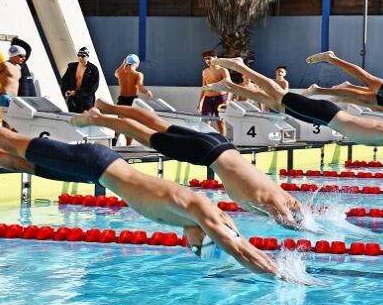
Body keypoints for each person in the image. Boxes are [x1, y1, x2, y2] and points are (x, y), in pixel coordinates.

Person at [0, 106, 281, 279]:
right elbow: (240, 250)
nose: (193, 247)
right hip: (95, 163)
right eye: (200, 247)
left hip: (97, 173)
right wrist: (281, 275)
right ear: (211, 233)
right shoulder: (202, 211)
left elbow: (229, 244)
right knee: (10, 142)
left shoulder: (189, 220)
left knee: (14, 162)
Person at [206, 57, 383, 188]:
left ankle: (231, 86)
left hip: (325, 119)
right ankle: (240, 66)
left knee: (279, 105)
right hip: (327, 114)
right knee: (277, 95)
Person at [71, 100, 304, 229]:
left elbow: (297, 207)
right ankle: (96, 118)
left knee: (158, 123)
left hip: (222, 144)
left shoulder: (281, 195)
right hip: (207, 154)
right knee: (145, 135)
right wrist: (312, 231)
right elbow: (289, 222)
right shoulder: (275, 204)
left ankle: (106, 107)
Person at [113, 53, 152, 146]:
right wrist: (147, 92)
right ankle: (128, 145)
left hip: (122, 99)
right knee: (130, 123)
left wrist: (123, 63)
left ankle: (114, 140)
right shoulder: (138, 74)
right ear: (137, 63)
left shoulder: (120, 72)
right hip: (131, 100)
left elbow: (116, 73)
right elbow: (140, 87)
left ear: (127, 62)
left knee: (120, 121)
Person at [198, 50, 230, 135]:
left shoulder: (223, 70)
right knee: (205, 121)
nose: (207, 61)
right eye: (205, 59)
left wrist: (227, 101)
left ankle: (223, 140)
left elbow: (229, 86)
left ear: (215, 58)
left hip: (220, 99)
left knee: (220, 121)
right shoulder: (205, 71)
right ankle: (205, 140)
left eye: (209, 58)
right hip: (207, 99)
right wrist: (200, 102)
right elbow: (203, 87)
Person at [61, 47, 100, 113]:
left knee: (85, 117)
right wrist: (66, 91)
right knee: (73, 116)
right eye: (78, 55)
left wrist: (77, 92)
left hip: (86, 100)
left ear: (87, 56)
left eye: (83, 56)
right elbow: (65, 81)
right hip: (73, 98)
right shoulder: (72, 67)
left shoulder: (93, 69)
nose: (80, 58)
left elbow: (93, 86)